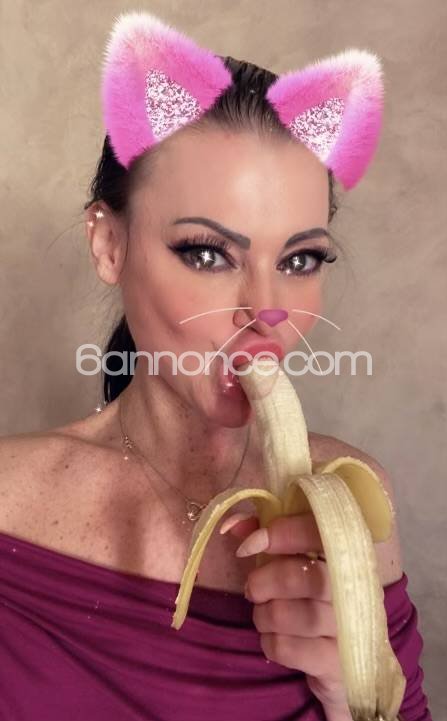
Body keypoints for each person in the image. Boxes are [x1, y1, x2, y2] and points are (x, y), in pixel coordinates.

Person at [0, 10, 432, 721]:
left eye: (300, 259)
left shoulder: (356, 500)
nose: (267, 310)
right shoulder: (10, 498)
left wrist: (351, 692)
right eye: (207, 253)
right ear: (109, 245)